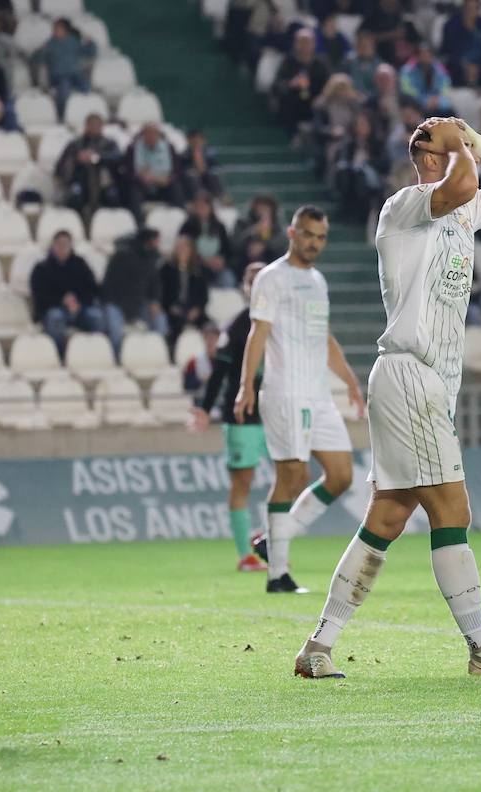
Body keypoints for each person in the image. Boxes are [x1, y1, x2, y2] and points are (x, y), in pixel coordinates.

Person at [292, 116, 481, 678]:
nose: (445, 141)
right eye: (437, 139)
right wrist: (462, 145)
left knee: (387, 515)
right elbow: (459, 184)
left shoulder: (467, 210)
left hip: (424, 380)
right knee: (452, 509)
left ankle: (319, 645)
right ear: (425, 156)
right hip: (411, 372)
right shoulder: (404, 206)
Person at [232, 206, 363, 595]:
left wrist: (350, 382)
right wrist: (246, 386)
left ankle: (275, 539)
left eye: (321, 237)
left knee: (341, 475)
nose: (314, 243)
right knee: (293, 476)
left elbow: (323, 338)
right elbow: (257, 334)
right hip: (286, 391)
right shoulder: (272, 279)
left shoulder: (318, 281)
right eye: (308, 234)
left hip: (319, 393)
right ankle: (278, 574)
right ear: (292, 233)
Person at [190, 261, 271, 573]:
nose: (258, 285)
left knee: (292, 476)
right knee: (243, 482)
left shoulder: (282, 321)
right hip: (243, 416)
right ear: (244, 287)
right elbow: (218, 375)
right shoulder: (236, 327)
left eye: (263, 279)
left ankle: (268, 540)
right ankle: (245, 555)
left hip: (277, 411)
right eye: (252, 281)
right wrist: (203, 409)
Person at [30, 230, 120, 357]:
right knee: (55, 317)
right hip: (53, 309)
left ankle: (98, 354)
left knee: (97, 317)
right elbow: (39, 296)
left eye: (65, 245)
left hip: (80, 309)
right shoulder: (41, 268)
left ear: (71, 246)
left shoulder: (80, 264)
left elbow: (92, 289)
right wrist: (62, 300)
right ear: (53, 246)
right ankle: (59, 356)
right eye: (59, 244)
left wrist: (78, 302)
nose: (62, 248)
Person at [102, 227, 168, 336]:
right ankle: (117, 352)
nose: (158, 244)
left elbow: (155, 284)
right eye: (156, 241)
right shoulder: (121, 257)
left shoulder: (151, 259)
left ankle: (161, 348)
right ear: (149, 241)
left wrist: (154, 301)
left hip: (140, 305)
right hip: (117, 304)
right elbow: (109, 286)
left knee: (160, 319)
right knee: (115, 330)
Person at [56, 113, 123, 218]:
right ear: (86, 126)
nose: (95, 128)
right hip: (80, 182)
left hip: (103, 184)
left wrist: (97, 158)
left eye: (97, 125)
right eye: (92, 125)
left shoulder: (109, 144)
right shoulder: (75, 144)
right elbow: (60, 168)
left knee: (113, 196)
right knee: (74, 196)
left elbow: (118, 158)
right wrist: (77, 160)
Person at [33, 17, 97, 115]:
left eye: (59, 28)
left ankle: (87, 114)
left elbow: (90, 52)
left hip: (75, 75)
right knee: (64, 88)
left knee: (87, 89)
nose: (55, 30)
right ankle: (61, 116)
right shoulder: (50, 44)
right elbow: (36, 59)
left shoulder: (73, 42)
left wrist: (90, 42)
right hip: (58, 77)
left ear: (66, 30)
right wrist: (40, 51)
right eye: (55, 28)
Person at [273, 28, 332, 131]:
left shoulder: (322, 63)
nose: (304, 46)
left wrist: (323, 96)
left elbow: (330, 84)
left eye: (307, 42)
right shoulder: (288, 62)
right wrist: (292, 84)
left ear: (314, 44)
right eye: (301, 42)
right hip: (294, 103)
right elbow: (277, 85)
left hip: (315, 102)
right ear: (295, 43)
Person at [440, 0, 481, 87]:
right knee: (450, 66)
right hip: (459, 63)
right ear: (463, 9)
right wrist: (465, 65)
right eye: (467, 9)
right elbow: (447, 50)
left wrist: (479, 65)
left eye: (473, 9)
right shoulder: (451, 25)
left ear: (478, 10)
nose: (470, 12)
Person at [126, 123, 184, 211]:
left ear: (159, 135)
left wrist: (168, 180)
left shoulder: (169, 147)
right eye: (148, 133)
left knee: (176, 188)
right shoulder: (133, 148)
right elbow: (130, 172)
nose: (151, 136)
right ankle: (138, 221)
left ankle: (180, 215)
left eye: (154, 133)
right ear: (143, 135)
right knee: (133, 190)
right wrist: (141, 178)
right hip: (142, 183)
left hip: (164, 183)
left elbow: (177, 171)